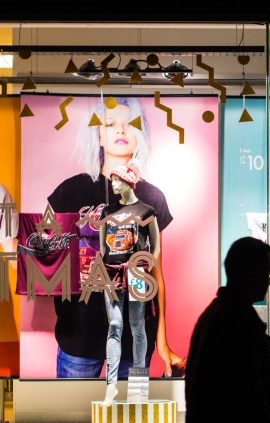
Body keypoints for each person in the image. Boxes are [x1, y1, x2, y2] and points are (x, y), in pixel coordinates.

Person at [47, 96, 184, 379]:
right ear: (97, 135)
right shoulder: (69, 192)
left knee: (131, 421)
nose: (121, 131)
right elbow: (48, 261)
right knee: (71, 421)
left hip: (135, 340)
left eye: (129, 124)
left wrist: (162, 339)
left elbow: (156, 274)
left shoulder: (152, 198)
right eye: (110, 124)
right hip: (79, 338)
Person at [185, 236, 270, 423]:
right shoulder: (237, 322)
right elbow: (248, 398)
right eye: (265, 271)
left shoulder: (215, 315)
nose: (269, 280)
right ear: (249, 272)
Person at [99, 161, 160, 405]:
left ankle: (138, 386)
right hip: (112, 273)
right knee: (114, 325)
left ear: (128, 182)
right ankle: (111, 385)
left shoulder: (147, 211)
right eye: (112, 180)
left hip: (136, 272)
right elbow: (103, 246)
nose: (113, 184)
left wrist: (147, 267)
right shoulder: (107, 212)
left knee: (137, 326)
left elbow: (155, 245)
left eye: (117, 179)